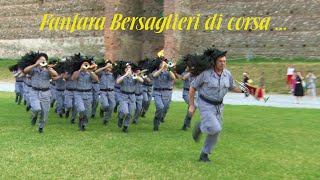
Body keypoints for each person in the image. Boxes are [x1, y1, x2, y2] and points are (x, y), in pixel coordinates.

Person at [188, 49, 247, 163]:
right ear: (215, 62)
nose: (223, 63)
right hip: (205, 104)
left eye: (224, 61)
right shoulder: (205, 74)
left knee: (216, 132)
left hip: (219, 106)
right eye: (220, 61)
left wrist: (244, 90)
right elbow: (192, 88)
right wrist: (191, 105)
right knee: (215, 128)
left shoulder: (227, 74)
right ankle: (200, 127)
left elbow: (232, 87)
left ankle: (204, 155)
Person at [23, 52, 58, 133]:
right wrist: (35, 64)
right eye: (40, 60)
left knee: (44, 112)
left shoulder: (48, 69)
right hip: (34, 91)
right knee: (36, 108)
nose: (42, 61)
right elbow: (25, 70)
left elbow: (55, 75)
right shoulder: (34, 69)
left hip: (45, 93)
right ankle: (34, 115)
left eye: (44, 60)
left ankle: (40, 127)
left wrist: (48, 68)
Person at [149, 57, 176, 131]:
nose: (162, 64)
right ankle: (156, 122)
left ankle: (160, 118)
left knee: (165, 107)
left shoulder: (168, 72)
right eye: (161, 63)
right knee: (160, 107)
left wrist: (168, 69)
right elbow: (154, 75)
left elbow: (173, 77)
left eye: (163, 63)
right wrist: (161, 69)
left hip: (167, 92)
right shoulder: (155, 71)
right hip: (157, 92)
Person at [115, 61, 143, 132]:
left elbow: (142, 80)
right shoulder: (121, 76)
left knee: (130, 113)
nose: (128, 69)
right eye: (127, 68)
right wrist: (125, 75)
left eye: (129, 68)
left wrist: (135, 76)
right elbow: (117, 82)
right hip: (123, 96)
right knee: (125, 112)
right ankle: (120, 118)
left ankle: (125, 126)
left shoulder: (134, 76)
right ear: (124, 69)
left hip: (132, 96)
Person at [72, 58, 99, 131]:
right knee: (81, 109)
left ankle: (83, 124)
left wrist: (90, 70)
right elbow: (74, 78)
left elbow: (96, 79)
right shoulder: (77, 72)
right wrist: (80, 70)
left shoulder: (90, 73)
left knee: (87, 112)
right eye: (84, 64)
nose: (85, 65)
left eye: (87, 64)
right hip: (78, 93)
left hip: (88, 94)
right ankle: (80, 119)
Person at [95, 60, 116, 125]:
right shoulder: (102, 73)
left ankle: (106, 119)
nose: (108, 69)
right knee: (105, 105)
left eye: (109, 67)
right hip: (103, 91)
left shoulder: (114, 74)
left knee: (112, 106)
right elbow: (96, 71)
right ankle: (102, 109)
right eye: (107, 67)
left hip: (111, 92)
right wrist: (105, 67)